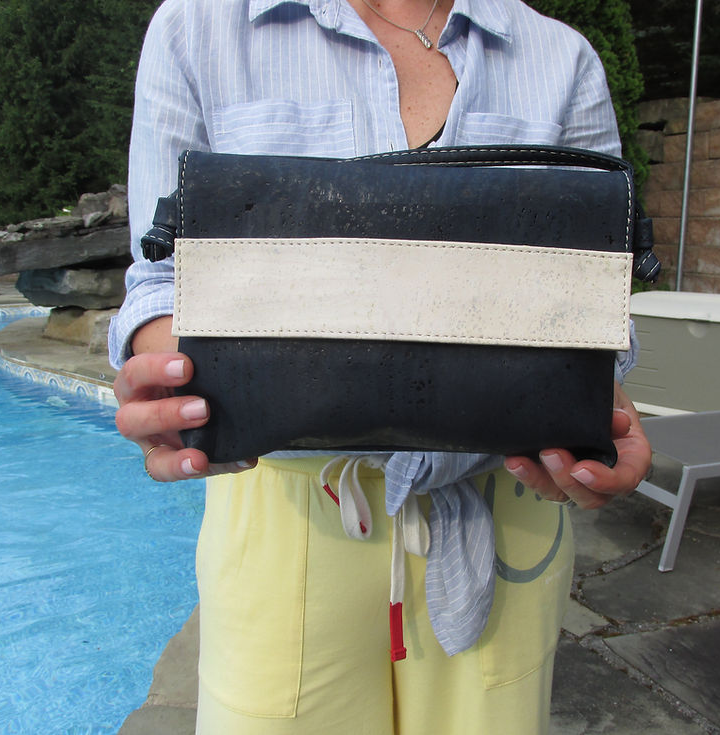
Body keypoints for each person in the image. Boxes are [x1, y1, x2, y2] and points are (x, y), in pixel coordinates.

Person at [109, 0, 652, 732]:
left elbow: (596, 295)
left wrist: (602, 405)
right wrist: (165, 368)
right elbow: (159, 274)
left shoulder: (561, 58)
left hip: (508, 501)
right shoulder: (198, 28)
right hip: (285, 511)